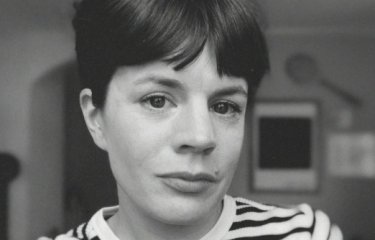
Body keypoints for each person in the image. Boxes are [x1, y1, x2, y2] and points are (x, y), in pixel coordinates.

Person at [39, 0, 343, 239]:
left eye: (224, 106)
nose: (201, 137)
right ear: (96, 119)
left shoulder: (304, 235)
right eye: (157, 100)